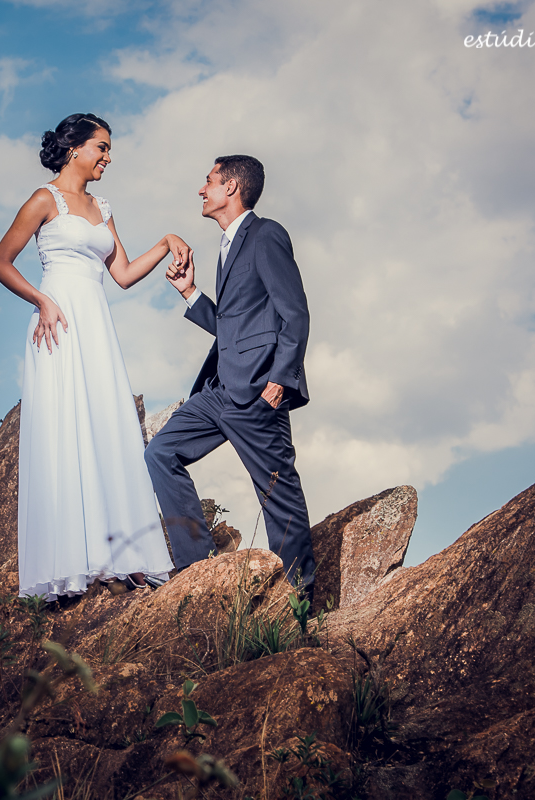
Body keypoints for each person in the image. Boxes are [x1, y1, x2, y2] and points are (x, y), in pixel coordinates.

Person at [0, 113, 189, 601]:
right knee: (65, 428)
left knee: (107, 424)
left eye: (108, 148)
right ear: (74, 147)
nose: (107, 156)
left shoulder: (102, 206)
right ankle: (72, 561)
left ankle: (123, 557)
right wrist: (41, 301)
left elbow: (120, 274)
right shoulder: (43, 199)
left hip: (97, 323)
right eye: (101, 146)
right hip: (58, 322)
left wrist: (165, 243)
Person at [146, 155, 316, 598]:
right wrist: (189, 293)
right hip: (219, 390)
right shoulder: (226, 246)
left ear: (232, 187)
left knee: (278, 496)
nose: (201, 190)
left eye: (208, 182)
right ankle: (197, 570)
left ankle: (299, 601)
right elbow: (234, 326)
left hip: (260, 392)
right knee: (160, 453)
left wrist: (279, 381)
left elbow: (294, 312)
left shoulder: (266, 235)